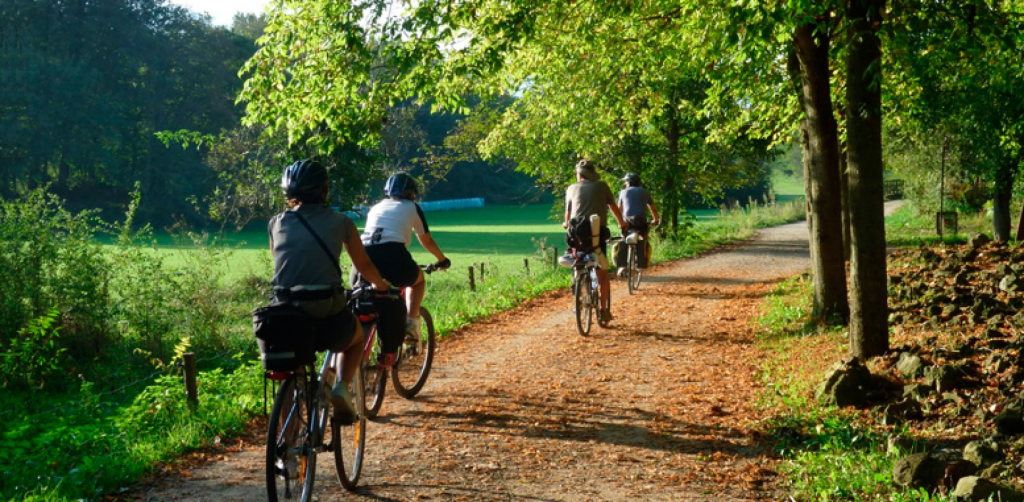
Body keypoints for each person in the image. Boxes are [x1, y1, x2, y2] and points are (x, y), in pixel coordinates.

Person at [269, 159, 391, 423]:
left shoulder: (275, 223)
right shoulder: (341, 222)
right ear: (324, 190)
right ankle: (341, 387)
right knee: (356, 337)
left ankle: (286, 451)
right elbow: (364, 264)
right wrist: (382, 285)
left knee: (294, 364)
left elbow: (281, 263)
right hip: (325, 303)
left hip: (285, 306)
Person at [356, 172, 450, 366]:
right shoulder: (411, 207)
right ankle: (411, 320)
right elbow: (426, 240)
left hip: (364, 257)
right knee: (418, 279)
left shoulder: (375, 207)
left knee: (369, 297)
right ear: (412, 194)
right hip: (394, 255)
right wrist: (442, 260)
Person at [563, 159, 627, 324]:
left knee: (576, 256)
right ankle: (604, 310)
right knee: (602, 271)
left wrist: (566, 224)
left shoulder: (570, 188)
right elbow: (613, 208)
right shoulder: (602, 186)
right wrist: (622, 224)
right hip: (596, 233)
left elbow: (567, 215)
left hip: (576, 233)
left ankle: (577, 284)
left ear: (579, 174)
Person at [616, 172, 659, 275]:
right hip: (641, 220)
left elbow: (619, 210)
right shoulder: (644, 192)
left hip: (627, 220)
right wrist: (655, 219)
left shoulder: (623, 192)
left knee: (623, 239)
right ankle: (641, 264)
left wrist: (620, 222)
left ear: (628, 182)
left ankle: (622, 266)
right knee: (643, 238)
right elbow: (652, 208)